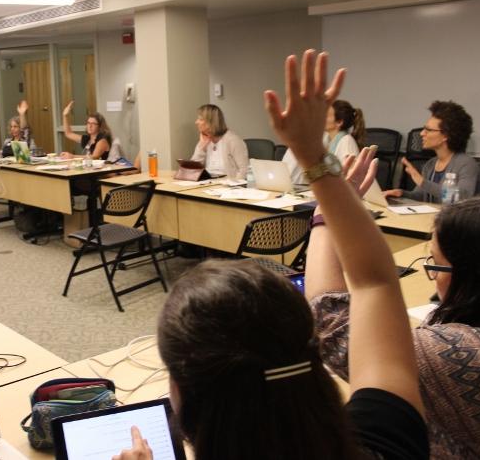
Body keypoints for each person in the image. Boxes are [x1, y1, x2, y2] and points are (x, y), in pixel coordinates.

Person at [114, 50, 427, 460]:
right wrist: (317, 164)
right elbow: (375, 282)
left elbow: (371, 284)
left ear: (184, 406)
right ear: (317, 354)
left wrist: (321, 194)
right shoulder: (388, 440)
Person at [313, 190, 480, 458]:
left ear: (478, 277)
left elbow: (331, 320)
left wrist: (323, 216)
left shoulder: (465, 355)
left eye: (438, 265)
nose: (433, 277)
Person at [384, 100, 480, 203]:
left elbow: (462, 196)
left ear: (446, 135)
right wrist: (402, 193)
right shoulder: (431, 164)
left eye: (428, 130)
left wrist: (422, 181)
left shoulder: (466, 164)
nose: (421, 133)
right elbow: (421, 196)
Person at [283, 99, 364, 184]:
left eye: (326, 115)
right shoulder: (329, 141)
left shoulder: (346, 142)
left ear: (339, 122)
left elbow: (349, 179)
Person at [190, 104, 249, 180]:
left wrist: (233, 185)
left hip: (228, 186)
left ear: (211, 122)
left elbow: (244, 170)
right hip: (207, 183)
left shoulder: (233, 140)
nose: (196, 122)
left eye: (200, 119)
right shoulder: (204, 139)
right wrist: (202, 147)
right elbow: (192, 169)